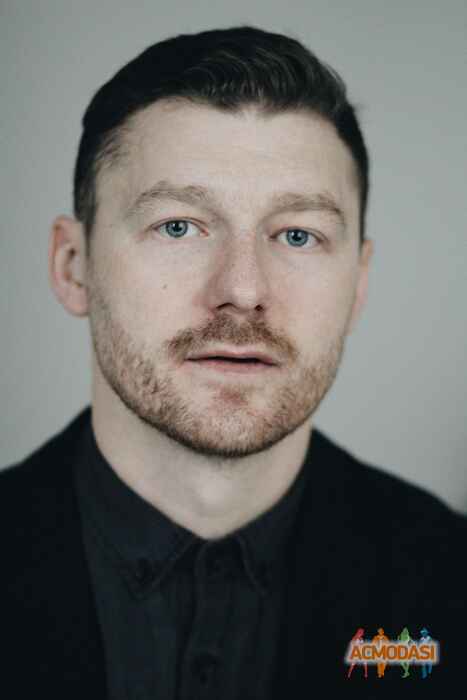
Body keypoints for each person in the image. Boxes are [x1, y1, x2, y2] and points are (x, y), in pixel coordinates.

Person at [1, 24, 466, 698]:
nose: (243, 291)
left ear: (358, 285)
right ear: (73, 266)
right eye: (179, 226)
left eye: (298, 235)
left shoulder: (450, 581)